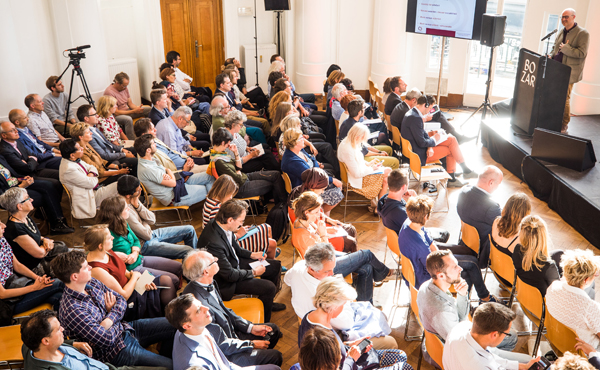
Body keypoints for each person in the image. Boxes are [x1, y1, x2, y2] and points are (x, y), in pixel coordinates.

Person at [51, 250, 176, 368]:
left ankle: (164, 352)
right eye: (85, 267)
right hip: (116, 352)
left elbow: (121, 300)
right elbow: (107, 340)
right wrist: (112, 313)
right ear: (75, 277)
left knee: (176, 322)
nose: (90, 267)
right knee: (173, 366)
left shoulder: (91, 282)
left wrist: (108, 320)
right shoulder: (73, 310)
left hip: (127, 328)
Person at [182, 250, 283, 367]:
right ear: (206, 271)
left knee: (273, 330)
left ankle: (259, 360)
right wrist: (250, 344)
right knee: (276, 357)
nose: (217, 259)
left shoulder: (207, 282)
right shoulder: (199, 307)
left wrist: (251, 327)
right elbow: (221, 344)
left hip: (232, 334)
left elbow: (225, 310)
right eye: (213, 260)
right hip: (228, 354)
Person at [285, 243, 395, 348]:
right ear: (311, 269)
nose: (332, 273)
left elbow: (287, 279)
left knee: (367, 268)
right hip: (336, 327)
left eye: (333, 268)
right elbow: (347, 323)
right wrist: (345, 301)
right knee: (384, 329)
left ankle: (369, 300)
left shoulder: (299, 266)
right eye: (327, 271)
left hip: (313, 317)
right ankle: (372, 295)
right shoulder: (324, 297)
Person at [298, 276, 412, 370]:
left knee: (401, 356)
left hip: (351, 359)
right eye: (343, 305)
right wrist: (351, 358)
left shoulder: (309, 318)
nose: (343, 308)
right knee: (405, 366)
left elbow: (334, 350)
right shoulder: (321, 337)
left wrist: (351, 344)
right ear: (334, 306)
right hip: (351, 365)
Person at [198, 199, 285, 322]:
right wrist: (254, 273)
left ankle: (268, 302)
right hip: (227, 282)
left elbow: (236, 250)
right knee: (269, 287)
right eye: (241, 220)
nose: (242, 224)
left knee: (275, 266)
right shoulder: (214, 243)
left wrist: (252, 255)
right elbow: (229, 275)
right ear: (230, 220)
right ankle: (264, 325)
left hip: (234, 264)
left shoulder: (221, 225)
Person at [399, 195, 495, 303]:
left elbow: (430, 243)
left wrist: (445, 256)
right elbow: (433, 268)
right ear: (426, 216)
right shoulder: (419, 245)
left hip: (426, 264)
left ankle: (477, 299)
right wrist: (450, 263)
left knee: (468, 258)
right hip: (426, 277)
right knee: (470, 267)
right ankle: (479, 300)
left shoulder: (410, 223)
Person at [417, 250, 517, 352]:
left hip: (445, 338)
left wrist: (462, 294)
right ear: (441, 275)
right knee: (511, 337)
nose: (460, 268)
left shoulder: (426, 286)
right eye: (455, 267)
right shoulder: (441, 312)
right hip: (457, 350)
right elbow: (460, 338)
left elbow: (459, 319)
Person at [20, 309, 168, 370]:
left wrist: (73, 343)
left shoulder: (30, 345)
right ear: (45, 341)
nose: (63, 329)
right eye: (58, 329)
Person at [165, 294, 280, 370]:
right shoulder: (194, 364)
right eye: (198, 310)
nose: (207, 308)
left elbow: (223, 361)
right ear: (187, 325)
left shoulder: (194, 328)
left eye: (201, 304)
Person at [97, 196, 182, 294]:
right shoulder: (106, 234)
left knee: (179, 267)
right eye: (126, 208)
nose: (129, 208)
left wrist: (134, 253)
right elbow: (98, 255)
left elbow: (136, 241)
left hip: (140, 258)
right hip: (132, 270)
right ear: (117, 214)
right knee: (173, 279)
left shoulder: (123, 222)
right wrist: (113, 255)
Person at [84, 225, 165, 319]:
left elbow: (125, 272)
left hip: (133, 285)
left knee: (165, 281)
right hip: (128, 301)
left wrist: (142, 280)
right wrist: (135, 277)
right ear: (100, 246)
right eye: (109, 237)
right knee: (164, 287)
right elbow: (123, 295)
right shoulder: (96, 269)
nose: (112, 238)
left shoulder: (106, 251)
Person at [401, 95, 475, 186]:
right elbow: (421, 142)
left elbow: (422, 134)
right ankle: (454, 177)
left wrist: (431, 144)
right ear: (425, 105)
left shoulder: (413, 113)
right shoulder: (415, 118)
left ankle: (457, 172)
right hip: (418, 154)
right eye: (430, 108)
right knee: (450, 149)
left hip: (417, 148)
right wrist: (434, 140)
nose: (430, 112)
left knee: (451, 139)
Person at [117, 175, 196, 258]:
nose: (141, 190)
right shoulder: (124, 211)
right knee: (188, 251)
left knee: (190, 230)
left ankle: (200, 262)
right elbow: (147, 235)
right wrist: (144, 220)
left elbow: (152, 220)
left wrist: (138, 206)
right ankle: (192, 267)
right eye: (138, 190)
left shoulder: (133, 199)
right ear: (128, 195)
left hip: (151, 233)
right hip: (144, 245)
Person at [443, 302, 536, 370]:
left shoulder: (461, 327)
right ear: (494, 334)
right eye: (506, 333)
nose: (507, 336)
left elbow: (490, 357)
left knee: (528, 362)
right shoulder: (478, 366)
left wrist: (523, 367)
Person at [202, 175, 278, 258]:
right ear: (224, 192)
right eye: (230, 194)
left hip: (229, 237)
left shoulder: (209, 201)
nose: (231, 197)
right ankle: (270, 255)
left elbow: (222, 229)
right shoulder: (216, 209)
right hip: (231, 244)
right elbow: (220, 236)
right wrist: (238, 234)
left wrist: (238, 230)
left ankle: (268, 251)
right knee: (272, 242)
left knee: (268, 228)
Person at [0, 220, 63, 317]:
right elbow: (2, 294)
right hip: (8, 303)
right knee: (60, 283)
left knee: (60, 297)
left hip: (17, 285)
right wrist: (34, 287)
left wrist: (37, 278)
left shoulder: (2, 240)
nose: (4, 225)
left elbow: (17, 265)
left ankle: (62, 329)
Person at [0, 187, 69, 274]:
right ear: (19, 206)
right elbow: (39, 254)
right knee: (67, 264)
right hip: (34, 267)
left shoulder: (25, 217)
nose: (31, 199)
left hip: (41, 255)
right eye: (27, 198)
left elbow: (34, 236)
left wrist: (45, 239)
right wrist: (48, 245)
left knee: (62, 247)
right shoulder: (15, 228)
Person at [208, 128, 286, 204]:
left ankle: (281, 204)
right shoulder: (218, 161)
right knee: (275, 182)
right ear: (222, 143)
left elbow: (239, 167)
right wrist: (238, 171)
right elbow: (239, 179)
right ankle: (283, 205)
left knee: (276, 174)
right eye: (228, 142)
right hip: (240, 187)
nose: (229, 145)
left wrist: (235, 152)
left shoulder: (220, 153)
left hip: (244, 177)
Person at [135, 134, 214, 207]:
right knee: (212, 189)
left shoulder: (150, 159)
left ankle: (214, 209)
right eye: (153, 144)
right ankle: (213, 212)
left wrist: (169, 174)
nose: (156, 145)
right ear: (148, 150)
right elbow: (172, 183)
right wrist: (169, 171)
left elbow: (168, 175)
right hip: (175, 196)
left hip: (179, 184)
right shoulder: (148, 169)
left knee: (210, 177)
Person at [0, 154, 72, 234]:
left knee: (50, 185)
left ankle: (55, 220)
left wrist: (21, 179)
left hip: (17, 184)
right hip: (8, 194)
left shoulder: (1, 157)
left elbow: (9, 175)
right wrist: (21, 186)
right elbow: (2, 193)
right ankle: (56, 224)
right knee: (44, 195)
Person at [546, 249, 600, 349]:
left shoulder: (552, 287)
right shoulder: (590, 307)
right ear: (586, 279)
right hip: (582, 351)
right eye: (595, 274)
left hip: (556, 340)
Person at [378, 169, 449, 242]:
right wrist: (416, 198)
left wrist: (407, 199)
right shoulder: (401, 213)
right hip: (412, 242)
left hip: (398, 239)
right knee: (444, 234)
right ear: (403, 187)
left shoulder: (384, 201)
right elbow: (420, 225)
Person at [549, 8, 590, 133]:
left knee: (564, 98)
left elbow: (582, 53)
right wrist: (551, 55)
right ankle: (553, 119)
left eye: (566, 17)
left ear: (574, 17)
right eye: (562, 17)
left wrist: (567, 49)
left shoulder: (582, 33)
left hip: (569, 71)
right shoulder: (562, 31)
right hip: (556, 68)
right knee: (554, 95)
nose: (564, 19)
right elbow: (555, 47)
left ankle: (564, 124)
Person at [337, 124, 392, 213]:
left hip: (359, 173)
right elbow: (356, 173)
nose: (363, 142)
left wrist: (369, 164)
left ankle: (378, 207)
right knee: (388, 173)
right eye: (363, 138)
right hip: (357, 179)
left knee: (386, 178)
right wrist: (372, 169)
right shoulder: (348, 149)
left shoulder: (349, 143)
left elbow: (356, 161)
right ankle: (379, 207)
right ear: (358, 137)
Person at [58, 139, 119, 219]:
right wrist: (93, 175)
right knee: (123, 184)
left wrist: (90, 174)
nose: (82, 149)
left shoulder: (72, 159)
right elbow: (91, 183)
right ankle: (116, 216)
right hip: (90, 196)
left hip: (92, 190)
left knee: (124, 183)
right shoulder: (69, 169)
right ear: (72, 155)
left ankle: (116, 214)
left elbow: (92, 167)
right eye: (80, 149)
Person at [457, 165, 504, 268]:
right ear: (491, 182)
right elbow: (504, 228)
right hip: (482, 250)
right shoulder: (491, 207)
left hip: (465, 240)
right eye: (498, 184)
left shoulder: (463, 191)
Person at [288, 168, 351, 241]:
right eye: (322, 189)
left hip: (314, 228)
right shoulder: (307, 202)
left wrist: (330, 220)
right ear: (313, 187)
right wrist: (324, 232)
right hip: (313, 234)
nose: (323, 192)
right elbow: (310, 230)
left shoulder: (301, 191)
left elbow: (317, 212)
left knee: (349, 230)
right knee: (349, 237)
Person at [281, 128, 342, 203]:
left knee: (331, 173)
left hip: (311, 181)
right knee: (337, 191)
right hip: (305, 190)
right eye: (301, 137)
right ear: (295, 142)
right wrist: (333, 180)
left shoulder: (298, 150)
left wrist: (315, 164)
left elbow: (311, 158)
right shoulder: (292, 161)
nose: (304, 138)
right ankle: (320, 211)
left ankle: (319, 211)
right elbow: (312, 176)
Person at [76, 104, 138, 171]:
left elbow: (108, 143)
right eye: (94, 114)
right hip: (110, 159)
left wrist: (121, 149)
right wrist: (124, 154)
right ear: (86, 118)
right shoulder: (88, 136)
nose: (97, 116)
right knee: (135, 161)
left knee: (137, 148)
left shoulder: (94, 128)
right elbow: (104, 156)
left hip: (113, 152)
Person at [134, 118, 205, 174]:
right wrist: (184, 171)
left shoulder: (155, 140)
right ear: (144, 135)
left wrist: (187, 158)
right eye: (152, 129)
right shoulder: (147, 152)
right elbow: (163, 173)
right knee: (209, 173)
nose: (156, 130)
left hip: (186, 164)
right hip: (181, 172)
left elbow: (172, 151)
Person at [104, 72, 150, 139]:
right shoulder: (109, 92)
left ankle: (147, 132)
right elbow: (116, 112)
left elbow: (130, 104)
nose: (125, 88)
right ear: (117, 83)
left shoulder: (125, 88)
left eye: (127, 85)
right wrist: (133, 111)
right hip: (116, 115)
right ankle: (132, 141)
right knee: (128, 119)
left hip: (127, 111)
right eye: (124, 86)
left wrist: (137, 109)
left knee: (148, 110)